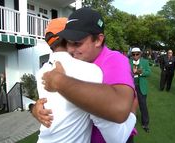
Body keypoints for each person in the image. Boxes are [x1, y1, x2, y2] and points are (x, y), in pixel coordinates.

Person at [33, 8, 137, 143]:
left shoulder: (114, 60)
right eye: (68, 42)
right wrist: (35, 109)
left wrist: (59, 81)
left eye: (77, 43)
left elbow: (120, 108)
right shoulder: (76, 62)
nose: (70, 49)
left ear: (98, 40)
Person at [129, 47, 151, 133]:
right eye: (133, 54)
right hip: (131, 86)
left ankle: (145, 124)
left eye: (137, 54)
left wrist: (140, 72)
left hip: (141, 86)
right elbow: (125, 72)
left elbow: (149, 72)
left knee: (143, 105)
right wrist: (132, 72)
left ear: (140, 54)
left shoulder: (145, 62)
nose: (135, 56)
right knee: (130, 105)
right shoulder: (128, 62)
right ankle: (130, 123)